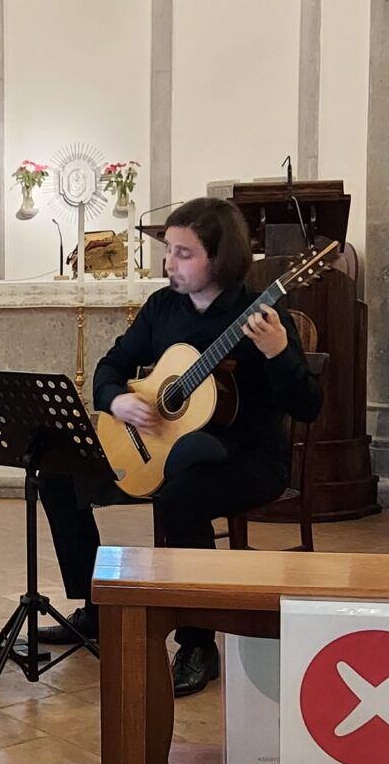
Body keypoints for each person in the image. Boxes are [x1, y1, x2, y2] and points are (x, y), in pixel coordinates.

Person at [36, 197, 322, 696]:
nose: (169, 263)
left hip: (246, 457)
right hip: (160, 447)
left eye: (184, 253)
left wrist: (278, 353)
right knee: (57, 472)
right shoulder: (163, 307)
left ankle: (197, 643)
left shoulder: (262, 313)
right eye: (169, 250)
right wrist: (118, 400)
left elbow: (309, 405)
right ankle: (95, 608)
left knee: (180, 498)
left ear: (221, 257)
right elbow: (109, 366)